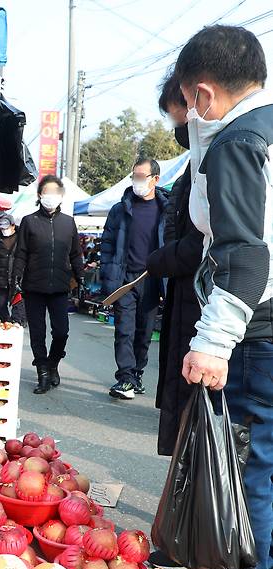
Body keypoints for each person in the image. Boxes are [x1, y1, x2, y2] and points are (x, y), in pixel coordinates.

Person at [173, 25, 273, 569]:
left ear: (204, 95)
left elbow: (244, 252)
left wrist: (213, 341)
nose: (189, 115)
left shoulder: (237, 140)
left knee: (248, 461)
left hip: (257, 329)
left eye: (188, 103)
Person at [146, 72, 204, 457]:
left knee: (210, 439)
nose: (176, 127)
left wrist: (161, 258)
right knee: (188, 431)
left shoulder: (227, 155)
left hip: (206, 311)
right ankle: (183, 510)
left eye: (176, 115)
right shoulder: (195, 161)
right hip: (185, 303)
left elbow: (209, 242)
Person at [100, 158, 168, 400]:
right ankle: (125, 378)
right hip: (125, 279)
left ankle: (137, 373)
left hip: (152, 280)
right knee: (124, 330)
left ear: (155, 179)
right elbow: (107, 246)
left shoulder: (167, 210)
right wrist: (109, 280)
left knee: (144, 332)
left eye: (142, 176)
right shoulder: (120, 209)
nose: (137, 181)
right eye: (134, 177)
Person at [12, 175, 85, 393]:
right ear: (39, 195)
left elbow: (76, 253)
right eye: (46, 192)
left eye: (55, 192)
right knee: (37, 332)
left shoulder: (68, 222)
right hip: (34, 286)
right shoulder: (29, 221)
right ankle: (42, 373)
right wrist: (16, 276)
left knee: (61, 331)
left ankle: (53, 363)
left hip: (60, 287)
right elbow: (21, 253)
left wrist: (80, 277)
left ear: (61, 196)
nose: (50, 197)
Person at [0, 214, 18, 323]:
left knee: (18, 302)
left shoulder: (21, 238)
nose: (4, 230)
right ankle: (6, 321)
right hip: (1, 274)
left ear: (13, 226)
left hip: (17, 275)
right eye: (2, 228)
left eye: (6, 228)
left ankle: (17, 322)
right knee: (1, 303)